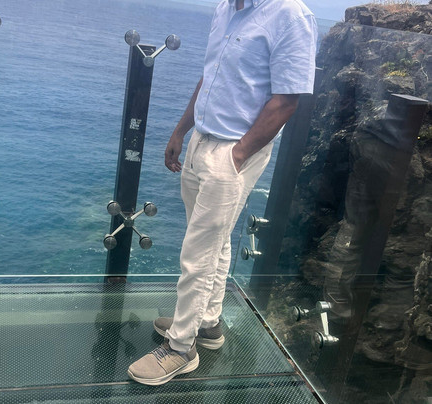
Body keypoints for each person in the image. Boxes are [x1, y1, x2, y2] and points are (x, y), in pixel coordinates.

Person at [128, 0, 317, 386]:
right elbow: (210, 77)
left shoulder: (290, 13)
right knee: (215, 239)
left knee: (197, 252)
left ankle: (181, 347)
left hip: (233, 151)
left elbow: (287, 100)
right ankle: (208, 323)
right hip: (202, 139)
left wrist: (238, 156)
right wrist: (181, 130)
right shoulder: (224, 9)